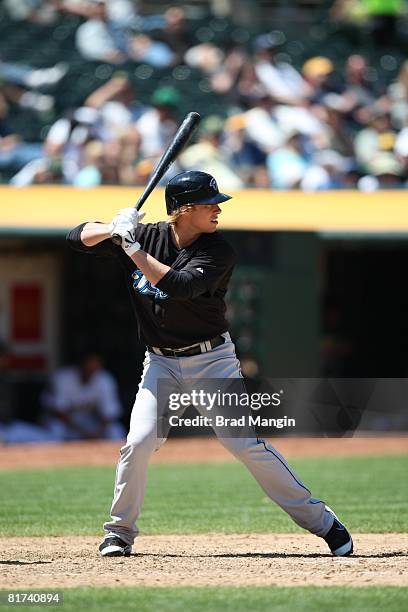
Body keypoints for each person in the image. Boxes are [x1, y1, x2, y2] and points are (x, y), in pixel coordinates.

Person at [67, 170, 353, 558]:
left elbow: (180, 286)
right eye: (208, 204)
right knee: (137, 443)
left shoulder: (218, 251)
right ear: (183, 210)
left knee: (244, 445)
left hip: (212, 361)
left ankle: (324, 524)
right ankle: (119, 532)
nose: (217, 210)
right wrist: (111, 228)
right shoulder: (145, 235)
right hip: (161, 364)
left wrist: (130, 247)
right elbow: (75, 238)